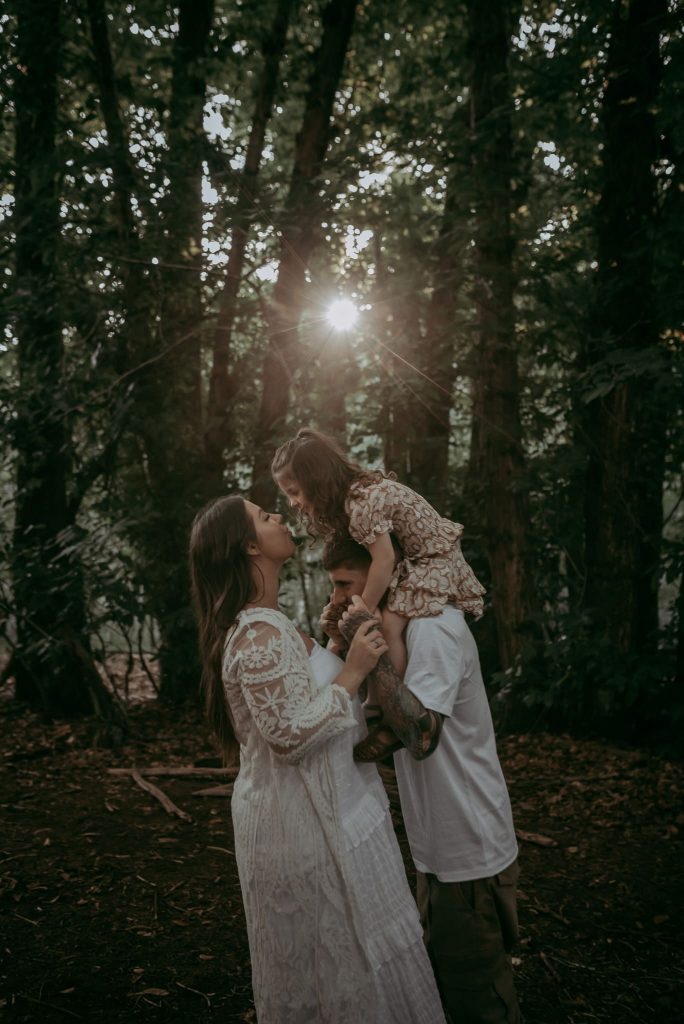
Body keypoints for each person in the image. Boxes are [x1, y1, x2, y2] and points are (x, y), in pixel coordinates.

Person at [188, 495, 446, 1024]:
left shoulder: (272, 625)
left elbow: (301, 697)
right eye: (264, 516)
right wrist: (353, 670)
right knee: (333, 968)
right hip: (299, 828)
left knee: (357, 959)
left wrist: (331, 643)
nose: (279, 515)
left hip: (329, 813)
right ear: (250, 546)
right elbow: (288, 736)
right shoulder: (258, 634)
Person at [320, 532, 522, 1024]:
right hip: (438, 845)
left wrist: (367, 645)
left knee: (480, 999)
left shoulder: (433, 629)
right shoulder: (404, 631)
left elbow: (421, 736)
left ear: (381, 571)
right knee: (450, 983)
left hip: (467, 846)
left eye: (346, 584)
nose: (339, 598)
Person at [271, 428, 485, 680]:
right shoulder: (357, 494)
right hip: (416, 559)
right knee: (379, 622)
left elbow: (384, 560)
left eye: (295, 492)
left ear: (316, 479)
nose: (294, 503)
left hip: (433, 559)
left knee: (390, 628)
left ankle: (389, 695)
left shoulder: (361, 504)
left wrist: (365, 609)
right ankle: (375, 696)